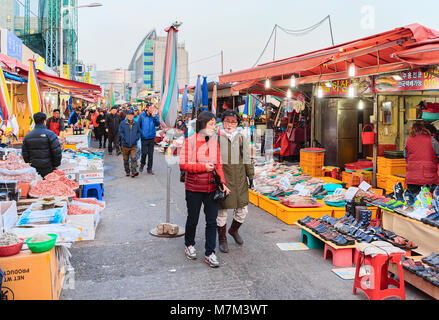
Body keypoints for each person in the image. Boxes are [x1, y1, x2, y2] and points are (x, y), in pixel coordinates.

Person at [179, 111, 231, 268]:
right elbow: (183, 164)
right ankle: (189, 244)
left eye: (215, 124)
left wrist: (222, 183)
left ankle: (210, 253)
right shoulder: (190, 141)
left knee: (211, 222)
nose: (214, 127)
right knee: (193, 219)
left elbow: (219, 165)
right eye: (211, 124)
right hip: (194, 188)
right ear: (202, 125)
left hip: (211, 188)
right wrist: (203, 167)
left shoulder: (214, 141)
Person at [216, 110, 254, 253]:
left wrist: (251, 176)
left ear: (237, 123)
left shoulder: (242, 138)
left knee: (243, 209)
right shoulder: (216, 137)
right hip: (223, 179)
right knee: (222, 211)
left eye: (233, 122)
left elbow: (247, 158)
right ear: (222, 122)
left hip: (240, 179)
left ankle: (233, 230)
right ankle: (222, 239)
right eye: (227, 121)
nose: (230, 124)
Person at [22, 112, 62, 178]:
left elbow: (25, 154)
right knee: (47, 186)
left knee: (36, 186)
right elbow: (57, 152)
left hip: (34, 169)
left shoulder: (27, 136)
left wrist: (29, 162)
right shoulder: (50, 134)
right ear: (44, 121)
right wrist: (56, 165)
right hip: (48, 168)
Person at [405, 122, 439, 195]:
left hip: (412, 177)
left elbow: (405, 158)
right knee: (428, 202)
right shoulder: (431, 140)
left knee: (413, 201)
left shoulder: (408, 141)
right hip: (429, 177)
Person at [139, 103, 160, 174]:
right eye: (151, 108)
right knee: (144, 153)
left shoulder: (155, 115)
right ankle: (142, 164)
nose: (152, 109)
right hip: (144, 138)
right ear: (147, 108)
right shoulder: (142, 116)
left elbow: (158, 124)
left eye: (153, 108)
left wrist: (154, 117)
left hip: (151, 137)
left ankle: (149, 168)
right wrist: (140, 134)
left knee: (151, 154)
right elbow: (139, 126)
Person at [119, 109, 141, 178]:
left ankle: (134, 171)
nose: (130, 116)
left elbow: (139, 132)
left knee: (133, 158)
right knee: (125, 160)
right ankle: (127, 171)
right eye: (129, 115)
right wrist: (124, 138)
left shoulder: (136, 123)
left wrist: (136, 138)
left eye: (131, 115)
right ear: (127, 116)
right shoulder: (122, 123)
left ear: (133, 116)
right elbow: (120, 132)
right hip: (125, 145)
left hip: (133, 145)